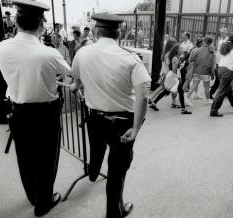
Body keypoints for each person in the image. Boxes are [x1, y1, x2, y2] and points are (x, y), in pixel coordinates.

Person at [0, 0, 73, 216]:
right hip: (44, 113)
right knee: (47, 159)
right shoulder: (49, 53)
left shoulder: (2, 47)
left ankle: (32, 196)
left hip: (17, 111)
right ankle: (43, 203)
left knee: (25, 157)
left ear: (17, 23)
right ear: (41, 24)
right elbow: (71, 73)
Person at [70, 13, 151, 218]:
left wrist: (77, 86)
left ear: (97, 32)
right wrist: (137, 128)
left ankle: (94, 171)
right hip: (122, 122)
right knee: (117, 169)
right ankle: (115, 212)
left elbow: (76, 82)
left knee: (96, 147)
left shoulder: (82, 53)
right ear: (120, 32)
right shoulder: (130, 58)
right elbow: (142, 97)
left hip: (94, 118)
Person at [210, 33, 233, 117]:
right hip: (227, 72)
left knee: (229, 91)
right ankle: (214, 110)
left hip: (220, 69)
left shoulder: (225, 47)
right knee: (221, 92)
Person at [151, 44, 192, 114]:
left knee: (166, 91)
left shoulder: (176, 57)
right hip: (174, 77)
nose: (182, 49)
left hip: (174, 76)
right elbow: (174, 69)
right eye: (180, 48)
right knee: (180, 92)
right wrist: (181, 65)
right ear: (177, 50)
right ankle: (183, 109)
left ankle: (154, 102)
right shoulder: (175, 58)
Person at [148, 38, 177, 110]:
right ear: (171, 45)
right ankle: (151, 98)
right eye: (174, 45)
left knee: (164, 87)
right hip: (167, 74)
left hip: (164, 73)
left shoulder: (165, 53)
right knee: (166, 88)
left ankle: (174, 103)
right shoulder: (169, 54)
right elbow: (168, 64)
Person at [186, 35, 216, 104]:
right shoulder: (212, 52)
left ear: (204, 41)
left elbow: (191, 59)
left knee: (194, 85)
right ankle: (207, 100)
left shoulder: (197, 50)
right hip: (206, 72)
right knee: (206, 87)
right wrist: (212, 74)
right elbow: (213, 65)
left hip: (196, 70)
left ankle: (187, 98)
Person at [210, 27, 229, 99]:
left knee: (220, 79)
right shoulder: (220, 39)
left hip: (224, 62)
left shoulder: (227, 41)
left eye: (222, 32)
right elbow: (218, 50)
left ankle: (225, 93)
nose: (221, 33)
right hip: (218, 61)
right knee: (219, 79)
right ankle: (215, 93)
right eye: (221, 32)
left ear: (225, 33)